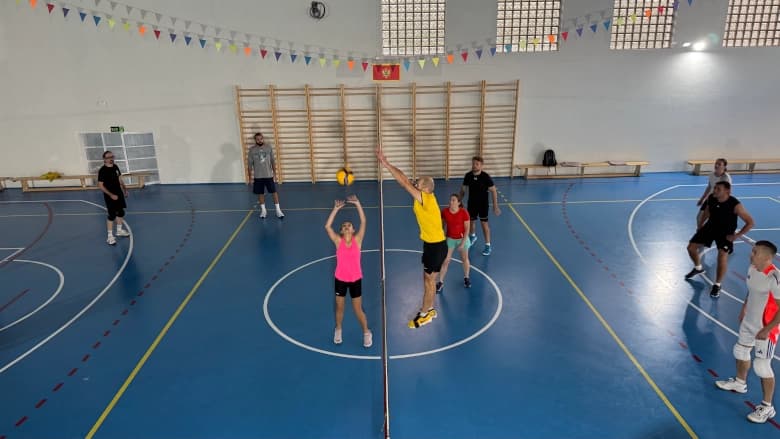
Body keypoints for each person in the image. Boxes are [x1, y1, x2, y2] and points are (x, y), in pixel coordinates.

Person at [375, 147, 447, 328]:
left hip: (435, 246)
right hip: (434, 244)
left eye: (419, 183)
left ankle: (424, 315)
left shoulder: (426, 198)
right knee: (428, 280)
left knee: (428, 281)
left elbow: (404, 182)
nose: (415, 183)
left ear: (426, 189)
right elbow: (406, 180)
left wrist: (386, 164)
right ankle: (429, 309)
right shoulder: (425, 198)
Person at [715, 240, 780, 424]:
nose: (751, 254)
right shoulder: (752, 268)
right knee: (740, 351)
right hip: (749, 322)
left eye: (755, 252)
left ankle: (767, 407)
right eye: (752, 251)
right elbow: (751, 292)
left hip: (765, 328)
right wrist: (744, 307)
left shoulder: (775, 278)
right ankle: (739, 383)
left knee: (762, 366)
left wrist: (767, 329)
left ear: (767, 257)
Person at [685, 181, 754, 298]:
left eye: (718, 189)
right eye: (715, 188)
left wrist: (736, 236)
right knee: (691, 248)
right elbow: (707, 212)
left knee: (722, 256)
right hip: (710, 227)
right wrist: (700, 225)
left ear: (727, 191)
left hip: (725, 233)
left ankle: (717, 285)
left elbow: (750, 222)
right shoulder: (711, 198)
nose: (715, 191)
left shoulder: (735, 205)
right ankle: (698, 268)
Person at [324, 195, 372, 348]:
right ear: (341, 230)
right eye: (344, 226)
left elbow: (364, 221)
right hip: (340, 279)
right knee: (340, 307)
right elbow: (327, 227)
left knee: (358, 309)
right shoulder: (338, 241)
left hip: (355, 279)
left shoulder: (358, 240)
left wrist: (358, 204)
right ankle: (338, 329)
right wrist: (335, 209)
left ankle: (366, 332)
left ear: (353, 229)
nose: (346, 226)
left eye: (349, 225)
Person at [460, 156, 501, 256]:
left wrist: (495, 206)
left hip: (483, 205)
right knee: (471, 222)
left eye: (477, 164)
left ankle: (488, 245)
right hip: (471, 203)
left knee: (484, 224)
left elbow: (494, 191)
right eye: (473, 163)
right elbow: (463, 190)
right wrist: (459, 201)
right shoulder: (468, 176)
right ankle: (473, 236)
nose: (474, 166)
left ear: (481, 165)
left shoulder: (485, 177)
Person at [436, 193, 472, 292]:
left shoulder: (464, 212)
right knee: (446, 260)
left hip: (462, 238)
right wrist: (441, 238)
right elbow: (442, 225)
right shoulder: (445, 212)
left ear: (458, 202)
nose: (451, 202)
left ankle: (466, 278)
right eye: (450, 200)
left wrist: (462, 243)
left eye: (453, 200)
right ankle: (440, 282)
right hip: (450, 239)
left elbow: (467, 229)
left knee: (464, 259)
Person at [248, 132, 284, 219]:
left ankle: (278, 210)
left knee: (274, 192)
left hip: (268, 175)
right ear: (255, 140)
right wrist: (250, 178)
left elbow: (272, 161)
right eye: (257, 139)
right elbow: (249, 165)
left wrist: (274, 173)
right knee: (260, 193)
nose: (259, 140)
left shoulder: (268, 148)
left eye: (261, 139)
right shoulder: (252, 150)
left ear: (263, 139)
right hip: (258, 176)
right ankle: (263, 211)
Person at [97, 151, 130, 246]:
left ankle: (119, 231)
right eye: (109, 157)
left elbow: (119, 179)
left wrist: (125, 189)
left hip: (119, 193)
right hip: (109, 195)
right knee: (112, 215)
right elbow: (100, 185)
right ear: (104, 159)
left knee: (121, 212)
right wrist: (111, 195)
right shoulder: (102, 170)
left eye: (112, 156)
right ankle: (110, 237)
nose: (111, 158)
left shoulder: (115, 167)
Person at [696, 158, 731, 227]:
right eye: (716, 163)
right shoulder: (711, 174)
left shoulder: (726, 178)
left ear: (724, 167)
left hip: (719, 201)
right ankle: (700, 232)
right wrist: (702, 199)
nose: (716, 165)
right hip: (710, 199)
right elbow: (709, 187)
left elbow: (728, 192)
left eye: (719, 164)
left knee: (714, 222)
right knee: (699, 218)